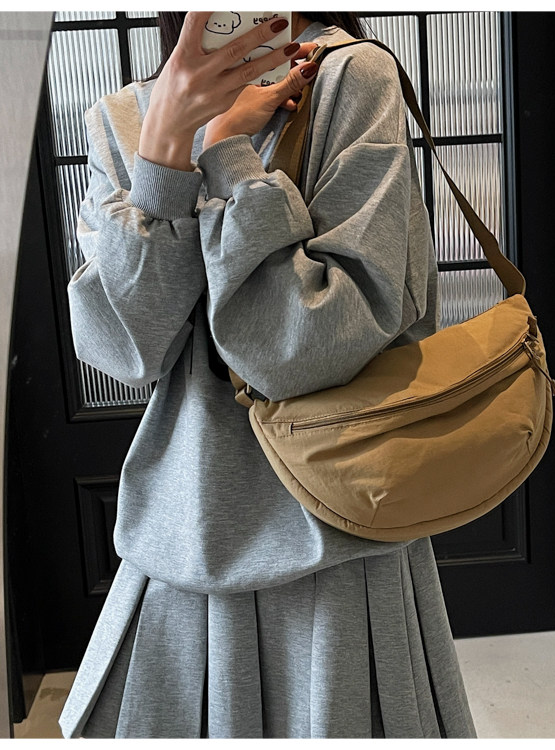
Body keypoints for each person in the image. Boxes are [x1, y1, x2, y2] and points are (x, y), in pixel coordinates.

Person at [57, 11, 477, 739]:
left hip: (336, 532)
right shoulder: (125, 116)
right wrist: (164, 152)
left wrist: (229, 159)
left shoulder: (348, 77)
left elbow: (307, 345)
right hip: (186, 530)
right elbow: (124, 350)